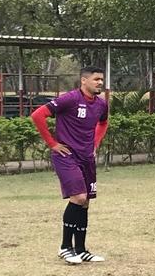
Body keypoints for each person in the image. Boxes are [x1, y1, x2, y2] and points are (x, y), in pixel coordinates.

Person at [31, 66, 109, 264]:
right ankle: (65, 247)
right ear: (84, 80)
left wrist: (95, 143)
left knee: (86, 201)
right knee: (78, 197)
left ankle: (81, 250)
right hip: (66, 156)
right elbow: (38, 115)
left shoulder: (101, 104)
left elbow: (103, 123)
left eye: (102, 79)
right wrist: (53, 144)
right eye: (96, 79)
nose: (100, 82)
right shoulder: (71, 99)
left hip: (86, 158)